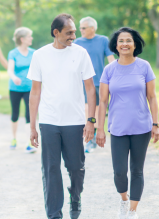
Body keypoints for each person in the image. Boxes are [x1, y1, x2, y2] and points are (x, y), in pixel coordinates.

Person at [28, 14, 96, 219]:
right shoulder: (40, 55)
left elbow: (90, 90)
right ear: (56, 33)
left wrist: (90, 121)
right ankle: (54, 214)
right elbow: (35, 92)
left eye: (75, 32)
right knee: (51, 170)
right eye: (69, 33)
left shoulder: (81, 53)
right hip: (49, 121)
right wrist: (33, 126)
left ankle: (75, 196)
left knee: (76, 167)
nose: (73, 36)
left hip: (74, 122)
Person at [96, 27, 159, 219]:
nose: (125, 44)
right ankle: (124, 200)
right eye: (121, 40)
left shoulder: (144, 66)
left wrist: (156, 124)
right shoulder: (109, 69)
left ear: (135, 44)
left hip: (142, 127)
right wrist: (100, 128)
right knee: (119, 171)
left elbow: (152, 97)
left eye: (128, 40)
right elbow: (103, 101)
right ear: (116, 45)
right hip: (118, 128)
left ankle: (132, 211)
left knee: (137, 170)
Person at [74, 16, 115, 153]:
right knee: (87, 108)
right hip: (82, 82)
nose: (81, 30)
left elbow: (110, 59)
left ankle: (96, 134)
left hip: (100, 81)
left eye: (83, 28)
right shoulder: (77, 42)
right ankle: (90, 139)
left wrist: (115, 74)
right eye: (80, 28)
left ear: (93, 28)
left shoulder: (103, 40)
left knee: (98, 108)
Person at [7, 27, 37, 153]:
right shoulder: (13, 53)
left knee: (29, 115)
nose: (31, 38)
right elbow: (10, 69)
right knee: (15, 114)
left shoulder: (34, 53)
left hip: (30, 89)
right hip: (15, 88)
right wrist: (14, 78)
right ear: (22, 39)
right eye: (29, 36)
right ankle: (13, 138)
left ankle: (29, 142)